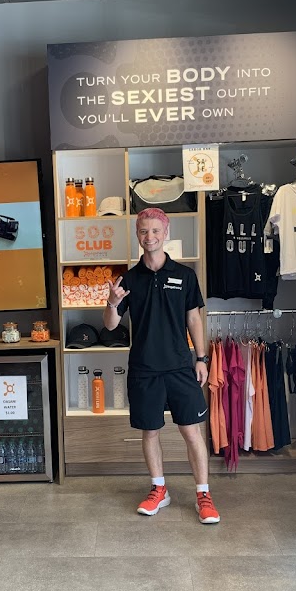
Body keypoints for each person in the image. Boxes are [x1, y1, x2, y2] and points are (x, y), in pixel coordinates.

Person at [102, 208, 219, 524]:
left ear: (166, 233)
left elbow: (194, 319)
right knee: (150, 431)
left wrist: (202, 358)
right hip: (144, 368)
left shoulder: (185, 276)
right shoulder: (128, 279)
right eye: (143, 231)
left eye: (155, 231)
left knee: (191, 431)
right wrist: (112, 303)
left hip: (180, 367)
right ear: (137, 234)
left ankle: (203, 495)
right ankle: (159, 490)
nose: (149, 236)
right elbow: (111, 325)